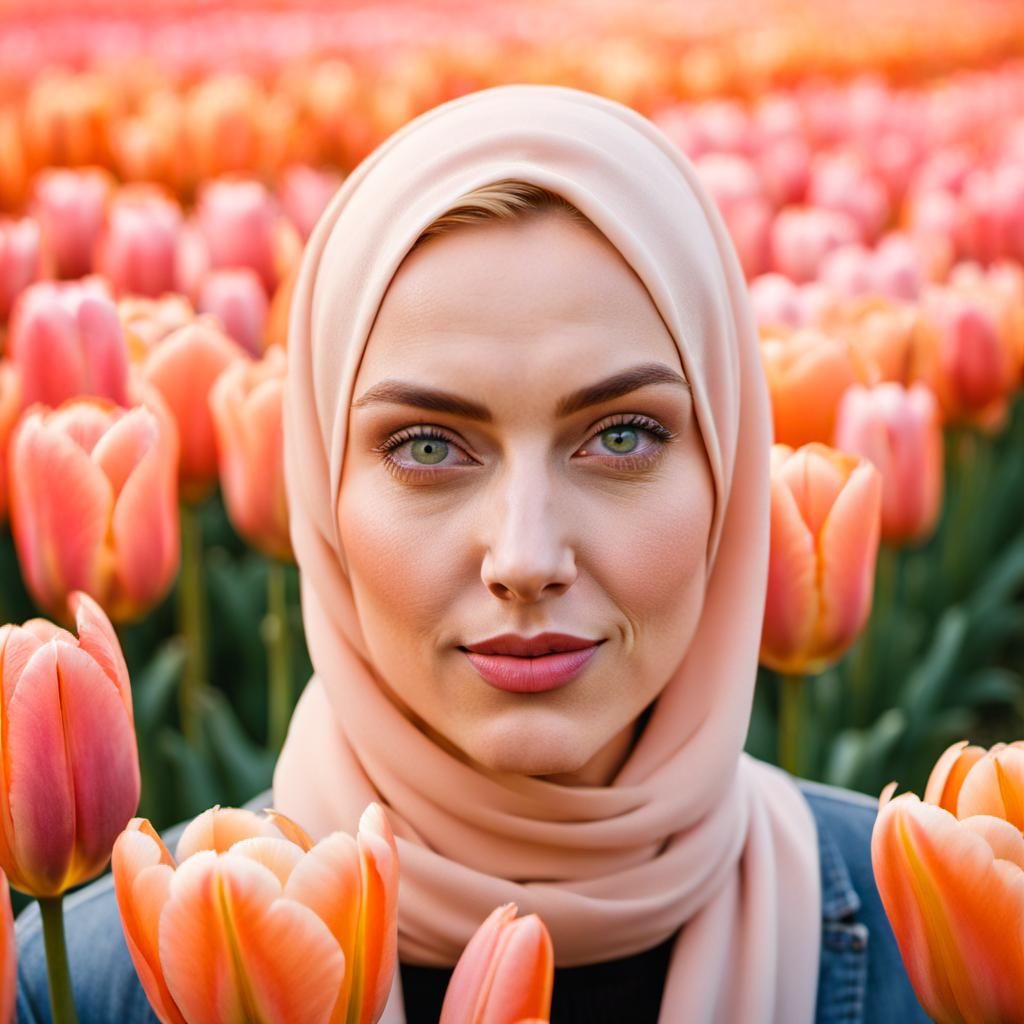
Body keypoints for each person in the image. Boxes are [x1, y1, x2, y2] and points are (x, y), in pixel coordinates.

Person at [15, 83, 929, 1024]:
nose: (526, 559)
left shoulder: (930, 949)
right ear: (324, 495)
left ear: (728, 476)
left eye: (622, 436)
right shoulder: (76, 989)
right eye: (426, 445)